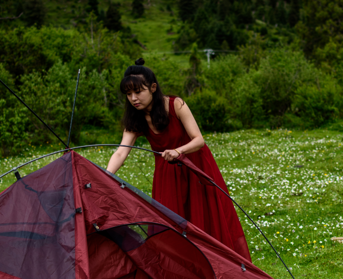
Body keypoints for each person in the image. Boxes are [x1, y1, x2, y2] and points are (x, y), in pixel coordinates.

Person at [106, 58, 251, 262]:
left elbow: (198, 140)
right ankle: (183, 272)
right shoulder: (135, 119)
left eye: (138, 91)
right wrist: (106, 176)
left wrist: (178, 151)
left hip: (195, 167)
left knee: (204, 218)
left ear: (153, 88)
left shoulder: (176, 104)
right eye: (128, 94)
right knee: (171, 223)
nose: (133, 98)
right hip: (168, 175)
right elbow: (121, 151)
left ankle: (219, 265)